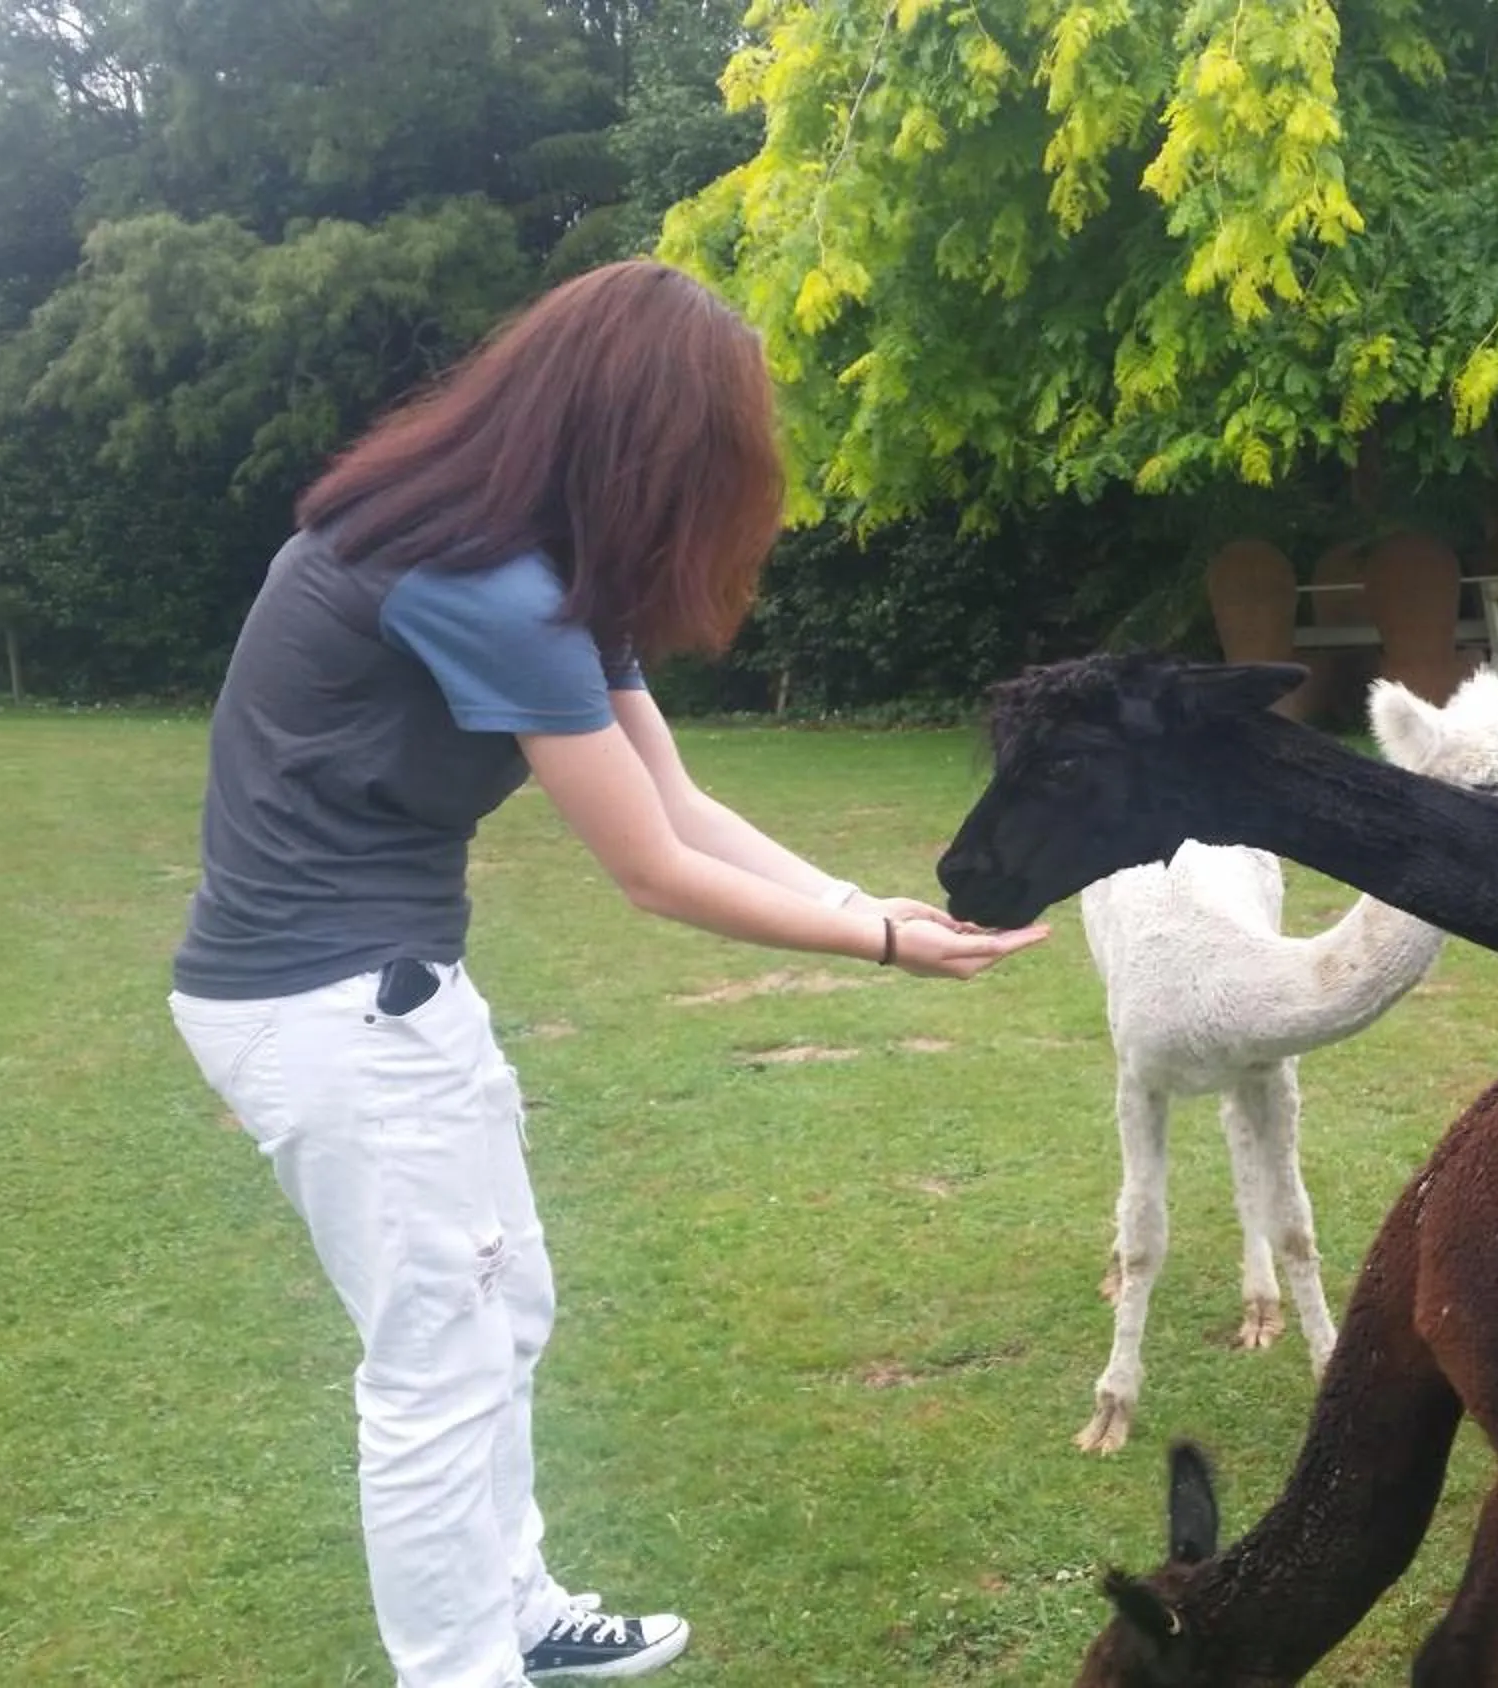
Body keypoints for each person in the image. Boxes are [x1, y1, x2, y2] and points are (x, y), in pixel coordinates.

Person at [163, 259, 1047, 1686]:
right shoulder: (479, 582)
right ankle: (463, 1669)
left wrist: (847, 897)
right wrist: (884, 945)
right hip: (329, 1009)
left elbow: (682, 803)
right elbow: (651, 872)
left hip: (377, 993)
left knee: (503, 1309)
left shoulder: (531, 566)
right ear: (649, 444)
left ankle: (518, 1615)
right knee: (437, 1365)